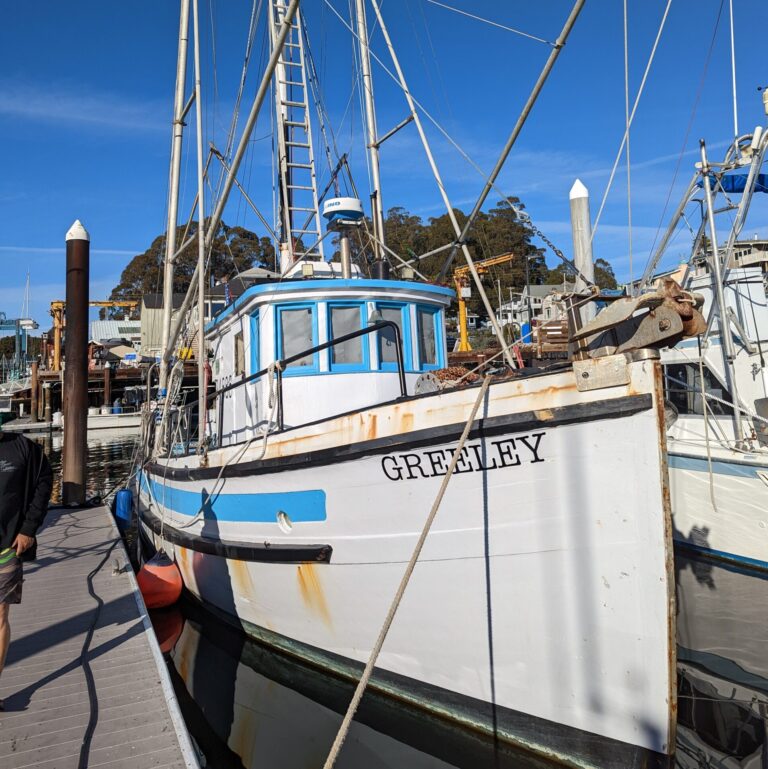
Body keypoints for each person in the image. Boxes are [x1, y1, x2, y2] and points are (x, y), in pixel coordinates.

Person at [0, 432, 53, 709]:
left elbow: (44, 480)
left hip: (7, 548)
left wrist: (29, 529)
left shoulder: (22, 448)